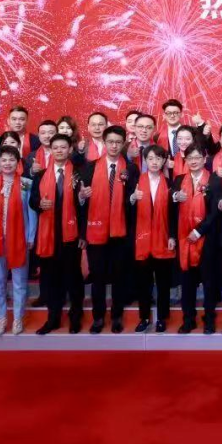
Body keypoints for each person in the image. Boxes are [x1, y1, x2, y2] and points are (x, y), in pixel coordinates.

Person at [77, 125, 137, 334]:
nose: (114, 146)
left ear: (123, 144)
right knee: (98, 277)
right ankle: (98, 317)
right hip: (96, 231)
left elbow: (134, 203)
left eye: (118, 142)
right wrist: (81, 197)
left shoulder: (131, 169)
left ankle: (117, 316)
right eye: (110, 142)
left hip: (121, 232)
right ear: (104, 143)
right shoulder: (90, 168)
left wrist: (132, 199)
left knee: (119, 276)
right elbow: (81, 205)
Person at [29, 133, 85, 335]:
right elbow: (32, 201)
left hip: (72, 235)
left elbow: (85, 208)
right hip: (48, 235)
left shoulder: (79, 174)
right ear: (50, 151)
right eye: (56, 148)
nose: (59, 151)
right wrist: (39, 204)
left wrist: (83, 234)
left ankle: (75, 318)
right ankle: (53, 319)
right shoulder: (41, 175)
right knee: (51, 279)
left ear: (70, 149)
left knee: (73, 278)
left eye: (63, 147)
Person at [0, 146, 37, 336]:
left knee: (20, 281)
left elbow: (32, 213)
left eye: (12, 160)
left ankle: (18, 318)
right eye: (4, 160)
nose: (7, 163)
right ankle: (1, 317)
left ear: (18, 162)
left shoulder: (26, 184)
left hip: (19, 239)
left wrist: (31, 237)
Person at [174, 143, 222, 334]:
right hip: (184, 238)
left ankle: (209, 319)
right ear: (185, 160)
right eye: (190, 158)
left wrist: (199, 231)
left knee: (208, 282)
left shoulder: (214, 181)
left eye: (197, 158)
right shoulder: (179, 180)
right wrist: (174, 196)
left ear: (204, 159)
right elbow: (171, 208)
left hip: (207, 239)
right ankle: (188, 319)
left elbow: (215, 212)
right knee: (187, 282)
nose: (193, 161)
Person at [125, 145, 176, 333]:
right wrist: (132, 198)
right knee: (143, 283)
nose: (155, 162)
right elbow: (125, 209)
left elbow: (174, 214)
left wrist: (172, 235)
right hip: (142, 239)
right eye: (151, 158)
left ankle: (162, 318)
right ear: (145, 161)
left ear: (164, 161)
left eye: (159, 158)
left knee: (163, 283)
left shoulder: (170, 183)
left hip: (163, 238)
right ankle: (144, 317)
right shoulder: (136, 181)